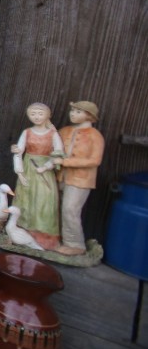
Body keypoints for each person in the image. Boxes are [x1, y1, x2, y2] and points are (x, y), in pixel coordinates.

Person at [52, 101, 104, 256]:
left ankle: (75, 244)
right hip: (59, 176)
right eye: (72, 111)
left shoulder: (95, 136)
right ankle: (56, 237)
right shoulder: (64, 131)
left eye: (78, 112)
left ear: (90, 116)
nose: (72, 114)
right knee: (55, 207)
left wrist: (65, 162)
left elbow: (95, 160)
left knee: (70, 209)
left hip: (80, 180)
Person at [11, 103, 64, 250]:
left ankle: (44, 237)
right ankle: (25, 232)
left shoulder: (53, 134)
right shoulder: (27, 132)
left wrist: (46, 167)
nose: (36, 116)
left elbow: (59, 153)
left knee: (44, 201)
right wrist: (19, 172)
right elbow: (19, 152)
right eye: (33, 113)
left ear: (48, 115)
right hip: (28, 168)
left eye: (40, 113)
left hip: (44, 172)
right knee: (26, 199)